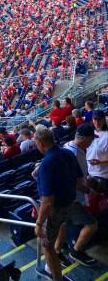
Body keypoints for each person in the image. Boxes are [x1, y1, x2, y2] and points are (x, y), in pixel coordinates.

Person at [34, 126, 81, 281]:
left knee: (47, 245)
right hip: (70, 202)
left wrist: (39, 224)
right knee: (59, 230)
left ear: (41, 143)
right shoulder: (67, 153)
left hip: (57, 209)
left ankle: (56, 277)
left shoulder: (46, 164)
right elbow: (79, 181)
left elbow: (47, 202)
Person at [58, 123, 99, 266]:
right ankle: (75, 251)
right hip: (72, 198)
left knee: (64, 225)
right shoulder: (73, 153)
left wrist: (87, 179)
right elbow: (70, 180)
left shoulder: (71, 146)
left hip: (68, 197)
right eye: (91, 138)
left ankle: (57, 252)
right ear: (85, 138)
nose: (92, 141)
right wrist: (88, 190)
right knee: (92, 225)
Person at [88, 109, 108, 182]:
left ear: (104, 120)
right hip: (89, 172)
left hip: (102, 175)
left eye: (99, 119)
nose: (97, 122)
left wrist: (100, 162)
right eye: (95, 119)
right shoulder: (89, 132)